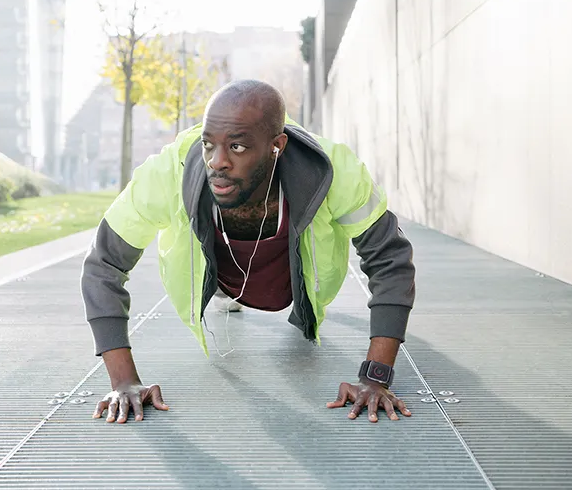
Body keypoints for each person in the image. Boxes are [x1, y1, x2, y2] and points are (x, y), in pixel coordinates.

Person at [81, 79, 416, 425]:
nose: (217, 162)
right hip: (221, 273)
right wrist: (123, 381)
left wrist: (376, 378)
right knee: (223, 282)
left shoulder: (335, 172)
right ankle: (229, 295)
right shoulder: (168, 173)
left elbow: (390, 259)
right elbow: (103, 264)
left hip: (290, 278)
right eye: (208, 145)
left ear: (277, 146)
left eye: (238, 148)